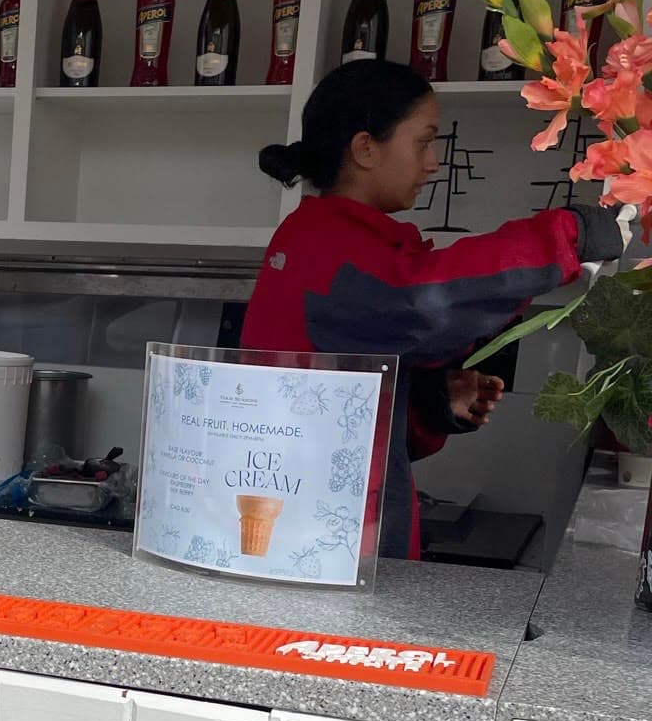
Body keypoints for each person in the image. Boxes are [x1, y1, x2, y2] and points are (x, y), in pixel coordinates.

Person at [247, 58, 625, 558]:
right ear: (365, 149)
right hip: (320, 544)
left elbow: (349, 414)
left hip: (320, 529)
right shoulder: (328, 248)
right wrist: (576, 233)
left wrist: (432, 402)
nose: (432, 162)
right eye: (423, 141)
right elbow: (426, 299)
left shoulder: (323, 238)